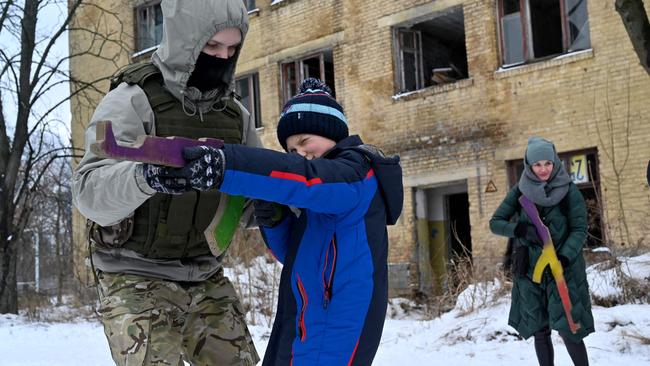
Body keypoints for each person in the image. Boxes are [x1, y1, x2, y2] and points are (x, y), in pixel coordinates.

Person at [72, 1, 260, 365]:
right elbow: (89, 192)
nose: (222, 57)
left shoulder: (236, 116)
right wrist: (146, 176)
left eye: (230, 49)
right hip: (133, 272)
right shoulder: (129, 101)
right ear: (185, 41)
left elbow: (255, 200)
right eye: (211, 47)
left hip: (205, 274)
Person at [171, 78, 403, 365]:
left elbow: (304, 178)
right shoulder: (322, 197)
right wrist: (277, 222)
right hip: (304, 314)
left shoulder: (355, 175)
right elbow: (298, 256)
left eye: (305, 142)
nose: (300, 153)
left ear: (332, 133)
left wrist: (226, 165)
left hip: (334, 324)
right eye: (292, 150)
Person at [490, 137, 594, 366]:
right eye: (538, 165)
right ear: (529, 165)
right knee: (540, 329)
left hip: (563, 269)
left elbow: (579, 228)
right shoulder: (520, 191)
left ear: (555, 162)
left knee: (570, 328)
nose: (544, 169)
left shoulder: (569, 190)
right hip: (531, 271)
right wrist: (519, 229)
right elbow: (495, 222)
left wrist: (565, 256)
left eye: (548, 163)